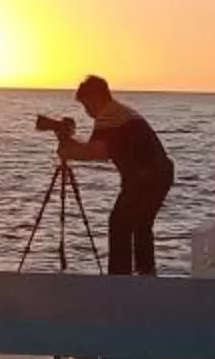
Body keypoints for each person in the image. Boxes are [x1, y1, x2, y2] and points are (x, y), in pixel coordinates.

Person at [56, 76, 173, 276]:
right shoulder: (119, 113)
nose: (87, 111)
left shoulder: (109, 115)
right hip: (159, 173)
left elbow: (97, 153)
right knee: (140, 225)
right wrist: (69, 143)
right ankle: (146, 274)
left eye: (86, 104)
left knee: (120, 223)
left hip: (145, 177)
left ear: (96, 97)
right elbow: (100, 149)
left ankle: (119, 278)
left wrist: (67, 149)